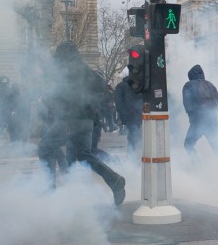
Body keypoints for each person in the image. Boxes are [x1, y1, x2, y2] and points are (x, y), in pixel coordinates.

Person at [40, 42, 126, 204]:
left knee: (45, 147)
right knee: (84, 155)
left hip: (70, 120)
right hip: (87, 122)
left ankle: (48, 192)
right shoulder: (88, 71)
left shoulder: (67, 72)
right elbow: (103, 88)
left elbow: (59, 96)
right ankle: (115, 181)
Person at [182, 64, 218, 162]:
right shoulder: (211, 85)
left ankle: (197, 165)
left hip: (198, 122)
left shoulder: (188, 85)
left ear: (190, 75)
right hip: (213, 122)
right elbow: (217, 103)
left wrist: (193, 117)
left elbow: (188, 104)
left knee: (188, 144)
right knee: (216, 147)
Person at [113, 77, 144, 158]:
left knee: (133, 135)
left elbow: (118, 102)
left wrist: (123, 115)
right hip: (136, 115)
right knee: (135, 135)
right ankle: (133, 157)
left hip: (130, 115)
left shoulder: (121, 86)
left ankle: (132, 157)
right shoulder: (137, 85)